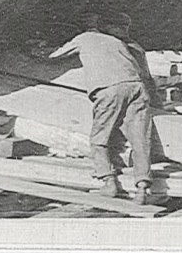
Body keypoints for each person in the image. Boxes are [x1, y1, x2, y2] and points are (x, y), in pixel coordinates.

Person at [48, 11, 166, 205]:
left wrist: (39, 52)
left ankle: (109, 182)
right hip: (136, 87)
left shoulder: (83, 38)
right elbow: (142, 72)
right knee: (140, 140)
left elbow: (54, 56)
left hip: (109, 89)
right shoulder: (120, 42)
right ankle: (142, 189)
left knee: (98, 140)